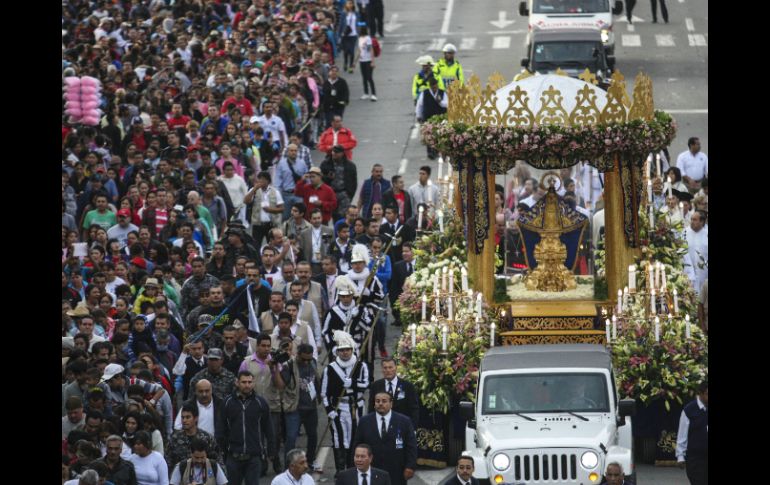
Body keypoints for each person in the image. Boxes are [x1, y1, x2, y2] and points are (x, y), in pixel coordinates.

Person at [321, 331, 370, 476]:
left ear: (352, 350)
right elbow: (324, 393)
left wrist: (353, 384)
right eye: (341, 350)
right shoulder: (329, 369)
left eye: (347, 349)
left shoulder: (361, 366)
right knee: (339, 438)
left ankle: (352, 468)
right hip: (338, 408)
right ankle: (340, 470)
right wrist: (329, 409)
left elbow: (366, 384)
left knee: (356, 437)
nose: (345, 353)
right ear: (337, 351)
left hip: (357, 407)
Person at [222, 371, 276, 485]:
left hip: (254, 457)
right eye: (244, 382)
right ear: (237, 383)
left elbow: (268, 428)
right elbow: (221, 429)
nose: (247, 385)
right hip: (233, 456)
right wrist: (222, 453)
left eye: (249, 382)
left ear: (253, 383)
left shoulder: (261, 403)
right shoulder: (227, 402)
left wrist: (271, 450)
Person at [354, 391, 417, 485]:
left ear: (391, 403)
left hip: (397, 472)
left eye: (384, 401)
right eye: (377, 401)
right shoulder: (364, 421)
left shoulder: (404, 421)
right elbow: (357, 445)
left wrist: (410, 466)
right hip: (372, 470)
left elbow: (411, 446)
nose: (380, 404)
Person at [166, 402, 222, 471]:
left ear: (196, 418)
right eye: (182, 417)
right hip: (180, 478)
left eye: (188, 417)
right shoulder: (175, 439)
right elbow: (168, 462)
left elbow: (218, 461)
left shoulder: (206, 438)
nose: (184, 420)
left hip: (203, 477)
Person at [367, 358, 419, 428]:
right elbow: (371, 408)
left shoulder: (407, 386)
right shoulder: (375, 386)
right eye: (385, 368)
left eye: (390, 367)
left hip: (402, 427)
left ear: (396, 368)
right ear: (382, 369)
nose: (388, 370)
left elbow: (414, 410)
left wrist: (412, 428)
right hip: (381, 427)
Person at [676, 381, 708, 485]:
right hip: (696, 459)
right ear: (701, 393)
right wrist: (680, 456)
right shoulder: (689, 410)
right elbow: (682, 435)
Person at [245, 171, 285, 248]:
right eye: (259, 179)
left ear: (268, 181)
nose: (261, 181)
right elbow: (246, 201)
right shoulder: (254, 190)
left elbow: (282, 208)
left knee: (272, 246)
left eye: (263, 179)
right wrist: (254, 189)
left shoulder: (275, 192)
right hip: (257, 225)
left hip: (271, 224)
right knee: (255, 246)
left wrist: (270, 210)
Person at [321, 146, 358, 221]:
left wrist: (349, 195)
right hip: (330, 194)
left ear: (342, 153)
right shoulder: (326, 164)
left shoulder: (350, 166)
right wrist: (327, 177)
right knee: (331, 216)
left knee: (343, 217)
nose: (334, 154)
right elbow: (319, 178)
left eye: (336, 152)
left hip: (344, 194)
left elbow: (354, 182)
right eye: (333, 152)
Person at [415, 77, 448, 159]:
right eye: (433, 87)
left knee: (439, 135)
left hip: (440, 118)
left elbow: (447, 104)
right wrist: (418, 115)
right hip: (428, 118)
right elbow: (419, 105)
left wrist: (440, 101)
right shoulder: (424, 93)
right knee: (429, 136)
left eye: (436, 87)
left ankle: (437, 151)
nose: (435, 89)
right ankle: (430, 152)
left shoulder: (442, 93)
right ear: (430, 86)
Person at [298, 209, 335, 274]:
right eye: (314, 218)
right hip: (310, 264)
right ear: (310, 219)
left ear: (322, 218)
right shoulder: (304, 233)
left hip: (325, 264)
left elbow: (332, 248)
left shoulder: (329, 231)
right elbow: (301, 251)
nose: (317, 220)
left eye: (319, 218)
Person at [683, 211, 708, 298]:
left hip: (704, 274)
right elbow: (681, 251)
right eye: (691, 219)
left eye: (695, 220)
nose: (692, 222)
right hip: (688, 273)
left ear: (702, 222)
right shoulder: (685, 233)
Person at [354, 25, 377, 101]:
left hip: (368, 60)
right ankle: (366, 93)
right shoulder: (360, 38)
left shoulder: (368, 38)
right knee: (364, 77)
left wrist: (373, 61)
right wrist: (355, 61)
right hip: (362, 60)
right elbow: (359, 50)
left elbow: (371, 50)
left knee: (369, 77)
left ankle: (373, 94)